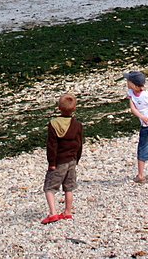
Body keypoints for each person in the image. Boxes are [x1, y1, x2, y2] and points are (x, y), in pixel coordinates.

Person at [42, 92, 84, 224]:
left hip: (59, 161)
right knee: (69, 187)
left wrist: (52, 163)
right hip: (72, 160)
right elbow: (79, 143)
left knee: (49, 188)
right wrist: (77, 158)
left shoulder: (54, 124)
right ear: (74, 108)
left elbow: (52, 146)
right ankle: (67, 211)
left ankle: (53, 213)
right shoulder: (77, 125)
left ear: (59, 108)